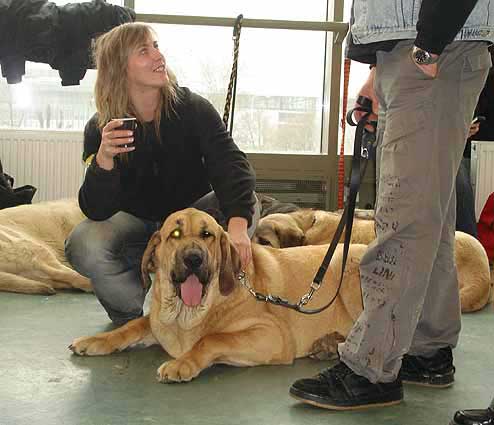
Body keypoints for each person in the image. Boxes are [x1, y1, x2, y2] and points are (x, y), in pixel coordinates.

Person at [289, 0, 494, 411]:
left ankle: (370, 367)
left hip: (435, 49)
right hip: (417, 51)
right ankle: (427, 347)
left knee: (404, 219)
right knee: (428, 216)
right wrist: (380, 67)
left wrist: (428, 45)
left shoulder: (430, 49)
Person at [65, 22, 259, 326]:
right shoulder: (100, 127)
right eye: (144, 50)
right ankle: (130, 315)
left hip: (191, 218)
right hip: (136, 226)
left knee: (248, 206)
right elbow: (95, 209)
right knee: (83, 242)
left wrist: (236, 227)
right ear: (119, 67)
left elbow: (231, 165)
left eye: (156, 46)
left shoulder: (192, 108)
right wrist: (103, 160)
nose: (159, 56)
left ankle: (211, 304)